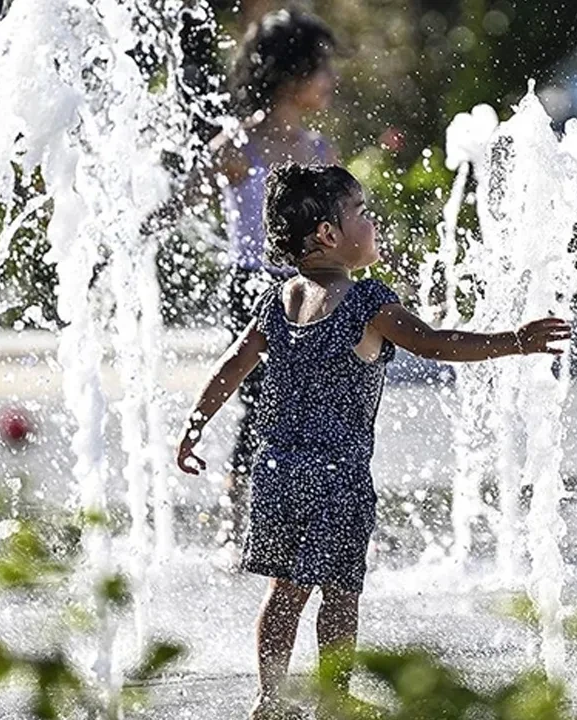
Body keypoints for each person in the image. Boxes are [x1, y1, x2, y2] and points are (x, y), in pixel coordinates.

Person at [175, 163, 571, 719]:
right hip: (338, 478)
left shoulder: (276, 301)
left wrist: (194, 426)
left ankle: (270, 698)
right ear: (328, 234)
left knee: (284, 592)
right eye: (361, 212)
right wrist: (514, 341)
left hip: (276, 471)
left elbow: (231, 366)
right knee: (339, 593)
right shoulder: (366, 302)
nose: (373, 221)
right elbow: (433, 343)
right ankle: (334, 699)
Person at [213, 8, 342, 558]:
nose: (332, 79)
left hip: (310, 292)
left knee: (314, 409)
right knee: (260, 407)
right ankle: (237, 522)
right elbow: (181, 202)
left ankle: (306, 516)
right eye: (322, 68)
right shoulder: (236, 148)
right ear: (292, 74)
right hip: (253, 292)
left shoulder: (320, 153)